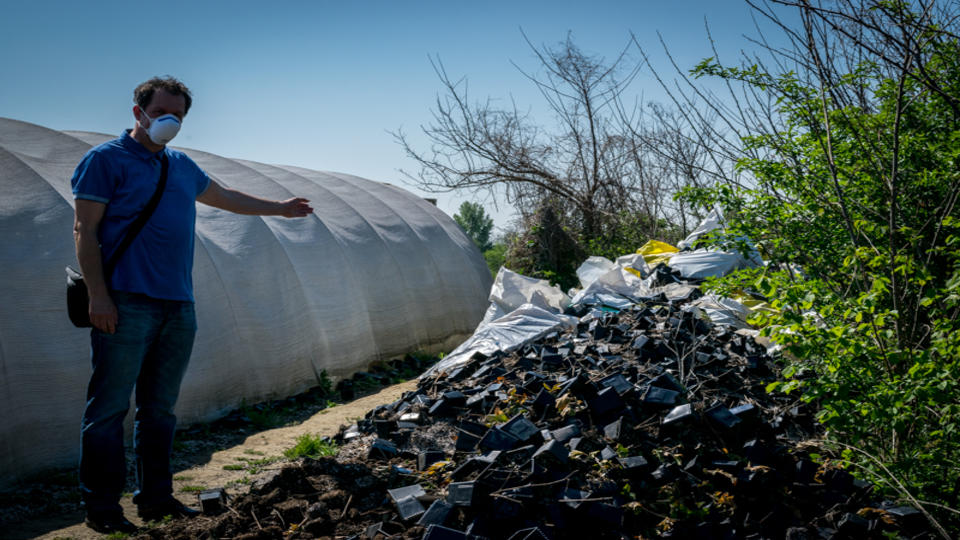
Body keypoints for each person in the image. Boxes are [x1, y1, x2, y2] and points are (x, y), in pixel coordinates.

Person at [71, 76, 313, 534]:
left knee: (159, 409)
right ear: (137, 111)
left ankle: (156, 500)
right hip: (124, 301)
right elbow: (85, 230)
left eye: (178, 116)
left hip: (177, 305)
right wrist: (98, 296)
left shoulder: (181, 166)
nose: (170, 122)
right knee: (107, 410)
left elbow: (225, 197)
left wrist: (279, 208)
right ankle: (102, 509)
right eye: (162, 112)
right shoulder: (104, 160)